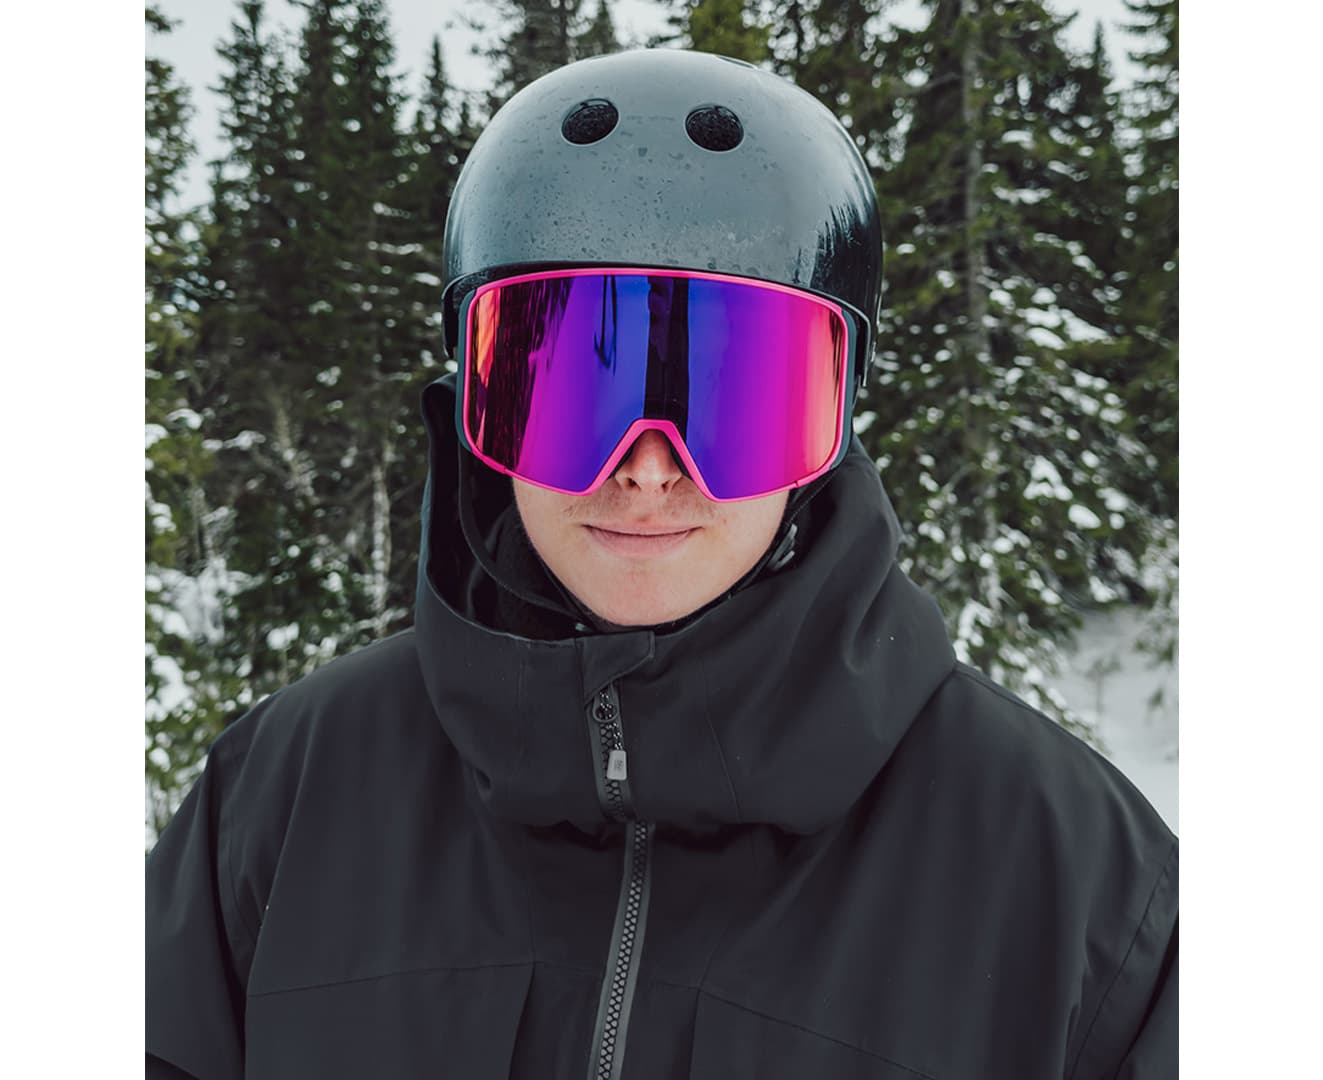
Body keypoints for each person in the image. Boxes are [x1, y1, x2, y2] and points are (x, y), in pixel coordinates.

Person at [146, 49, 1177, 1079]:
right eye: (571, 393)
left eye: (730, 398)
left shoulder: (1074, 882)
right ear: (475, 405)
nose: (645, 470)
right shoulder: (284, 794)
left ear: (829, 425)